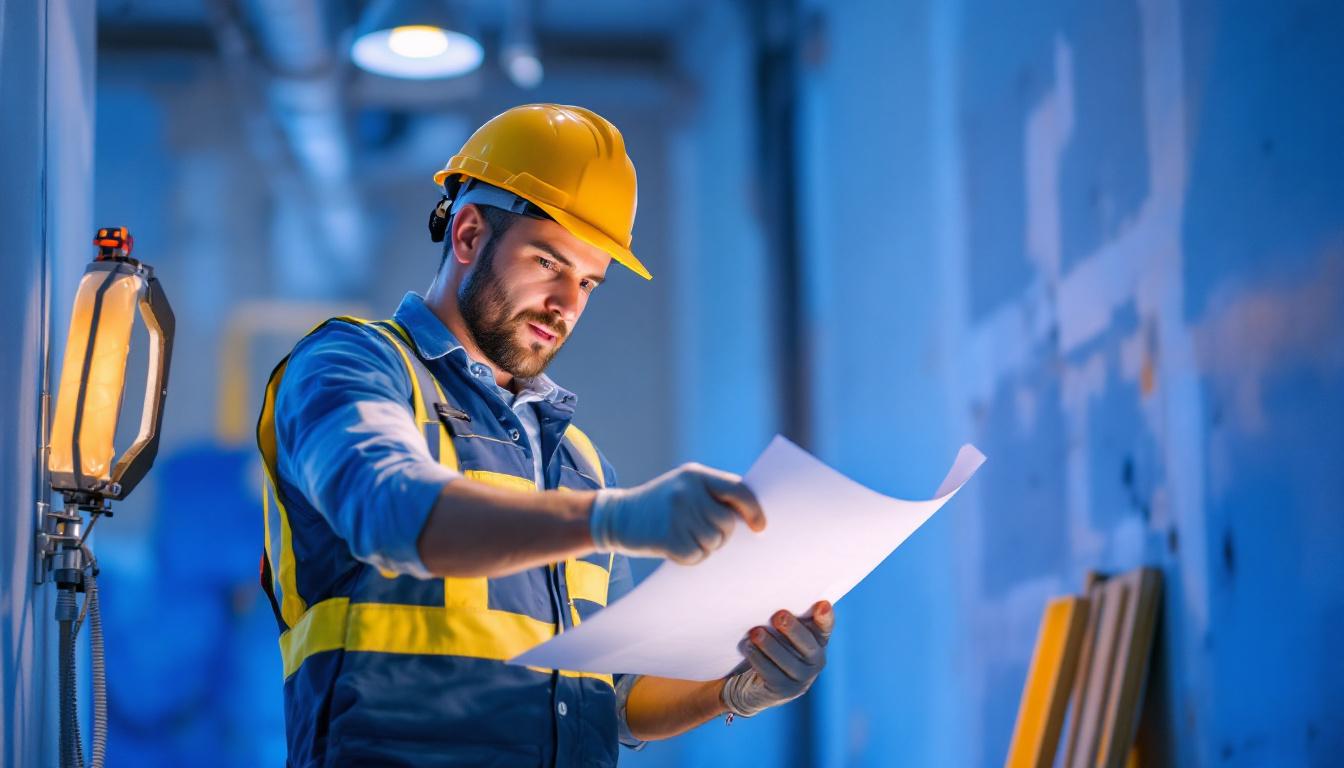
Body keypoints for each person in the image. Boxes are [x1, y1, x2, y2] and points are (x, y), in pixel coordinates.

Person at [257, 103, 836, 767]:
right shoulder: (353, 366)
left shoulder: (578, 460)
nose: (567, 304)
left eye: (588, 280)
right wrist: (614, 520)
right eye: (547, 262)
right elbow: (394, 511)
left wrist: (735, 687)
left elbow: (612, 696)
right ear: (469, 235)